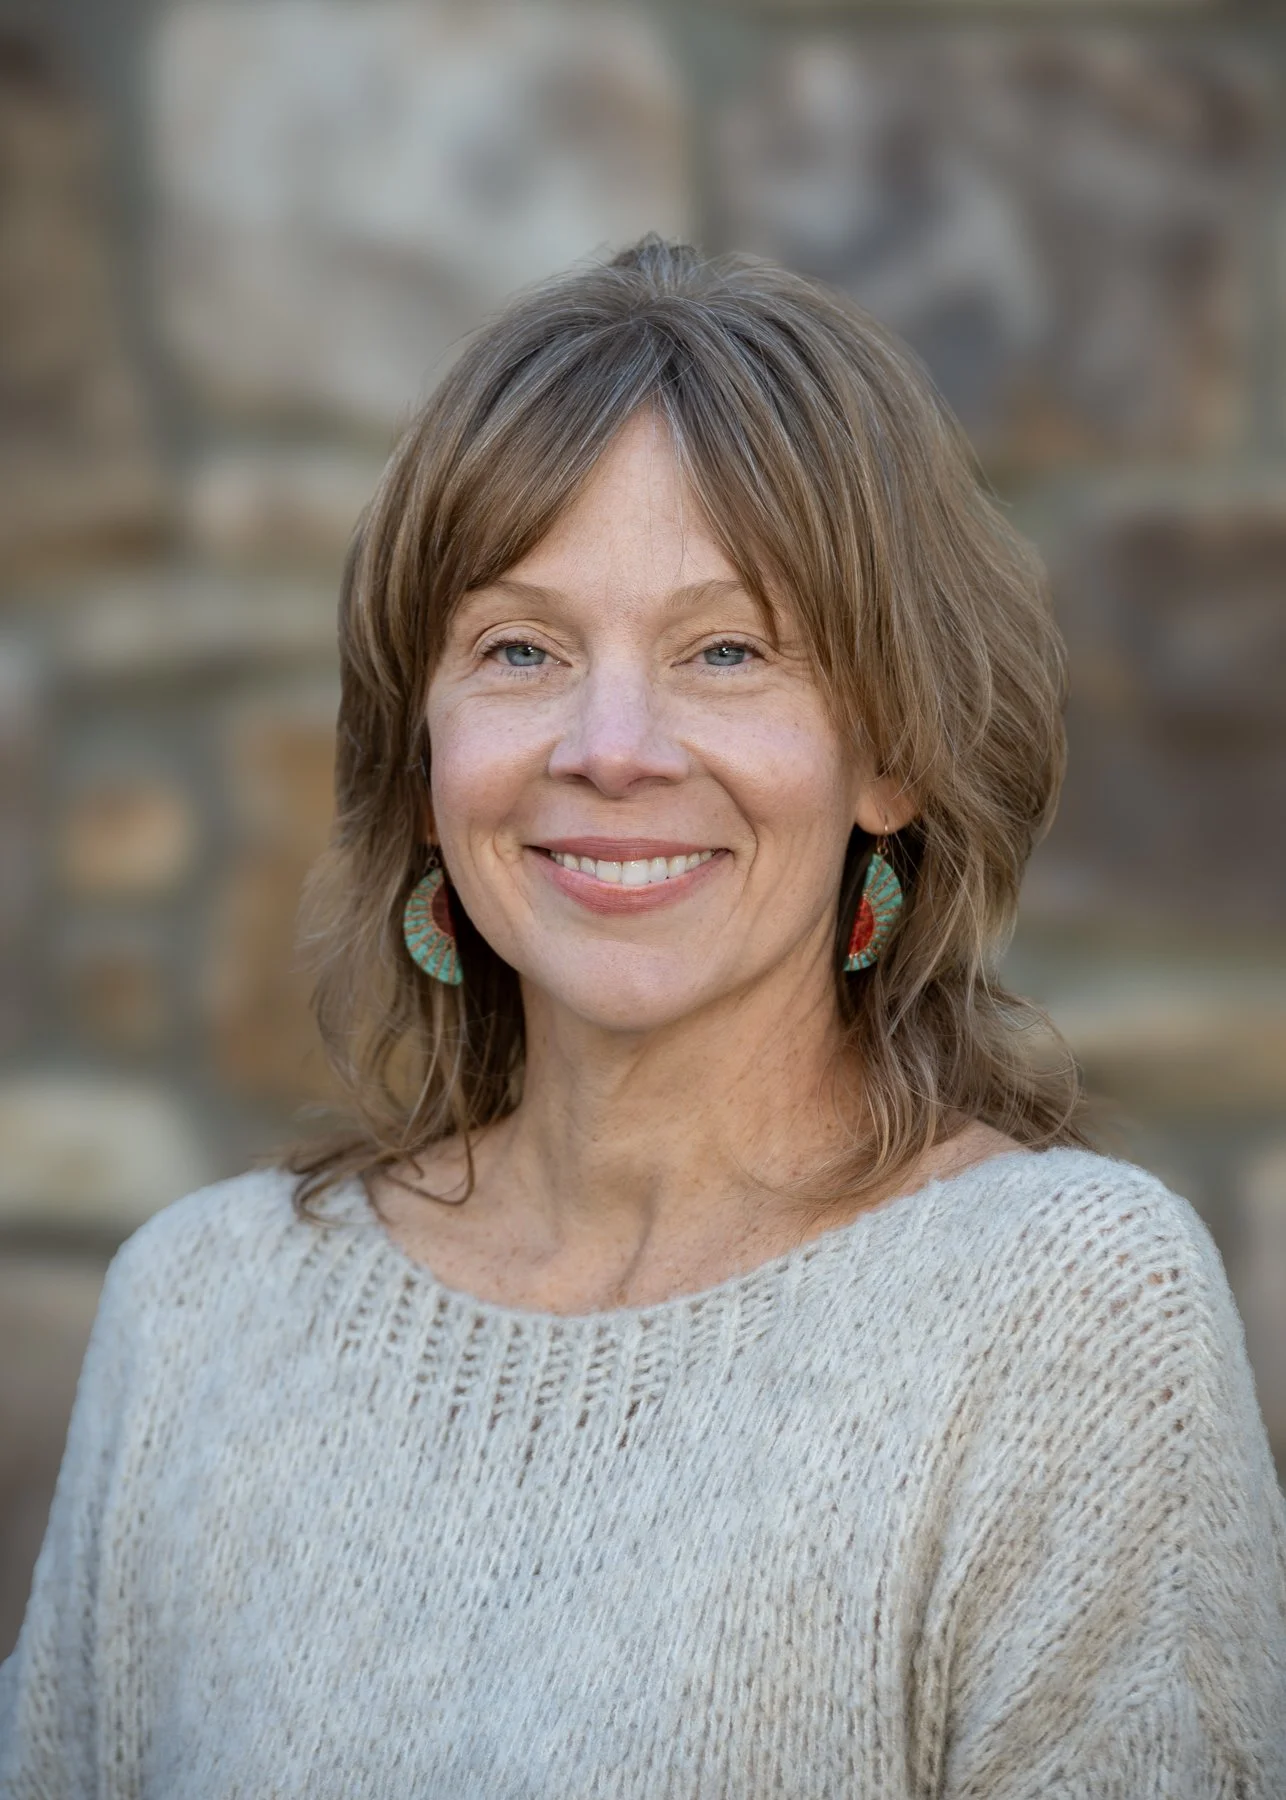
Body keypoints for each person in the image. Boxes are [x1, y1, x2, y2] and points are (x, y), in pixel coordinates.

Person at [3, 235, 1284, 1797]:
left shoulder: (1065, 1318)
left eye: (724, 650)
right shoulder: (199, 1318)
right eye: (520, 650)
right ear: (422, 757)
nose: (610, 747)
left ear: (890, 752)